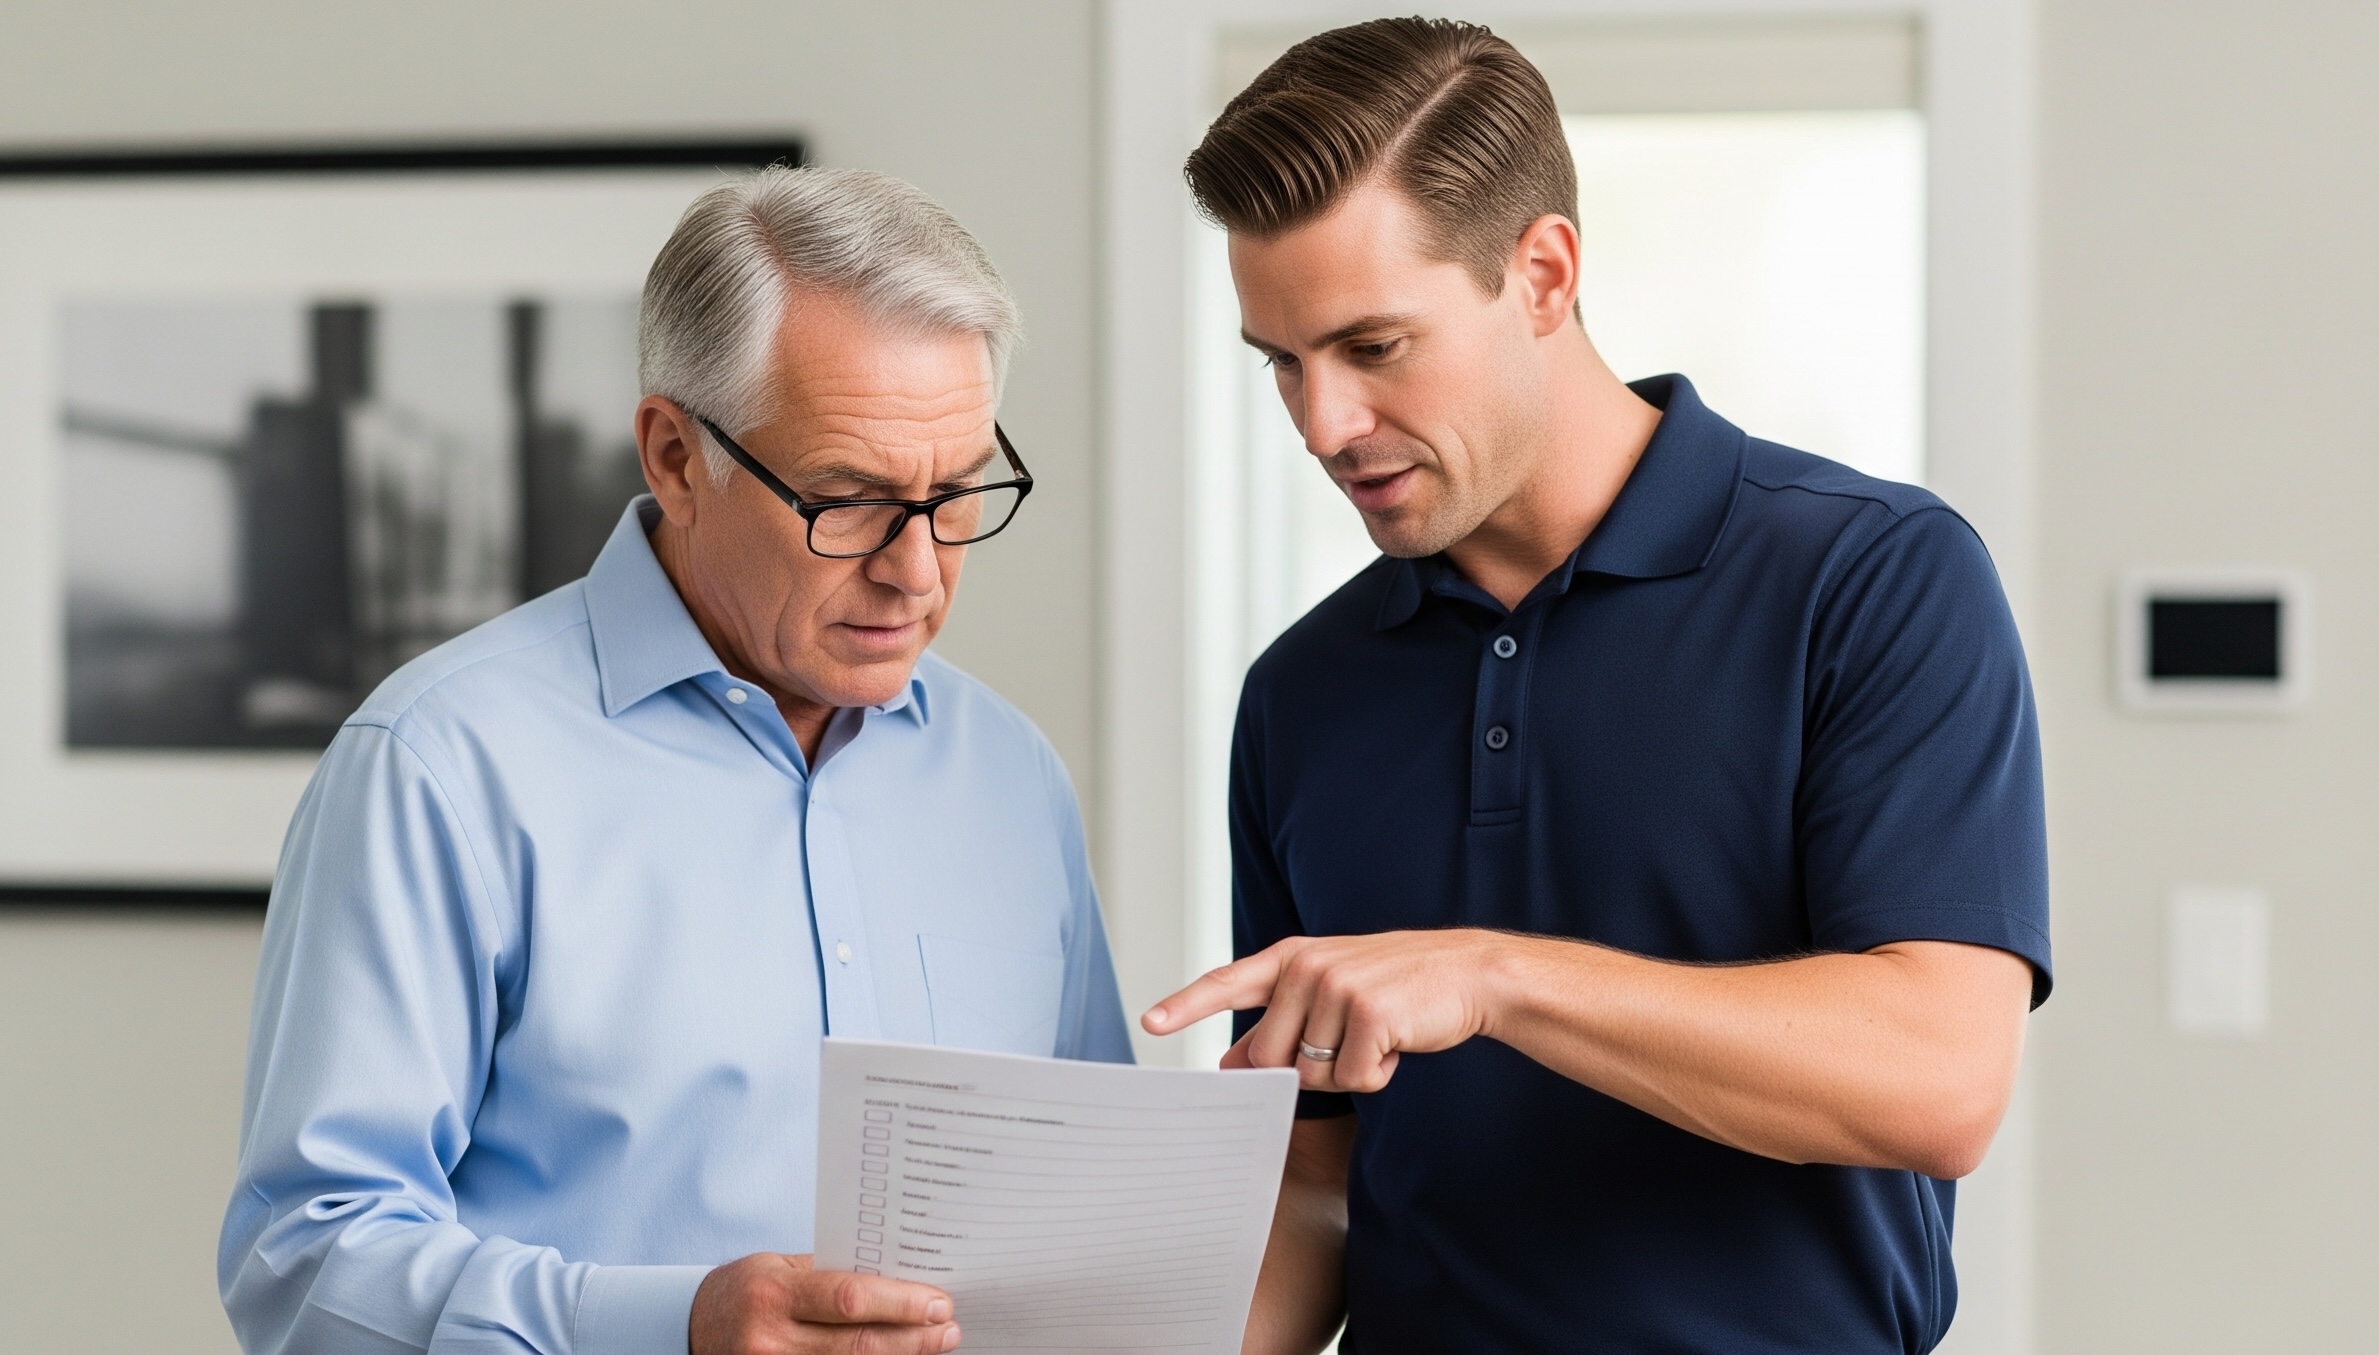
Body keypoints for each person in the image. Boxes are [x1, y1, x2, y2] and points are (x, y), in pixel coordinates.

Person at [1140, 19, 2051, 1355]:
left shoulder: (1873, 577)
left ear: (1543, 273)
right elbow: (1314, 1182)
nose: (1322, 422)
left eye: (1372, 347)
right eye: (1279, 359)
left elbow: (1938, 1077)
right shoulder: (1300, 690)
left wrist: (1498, 976)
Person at [221, 166, 1132, 1355]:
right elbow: (304, 1259)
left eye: (957, 494)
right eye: (851, 499)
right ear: (674, 456)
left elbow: (1088, 1213)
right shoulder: (440, 767)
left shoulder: (1011, 776)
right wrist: (672, 1325)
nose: (918, 571)